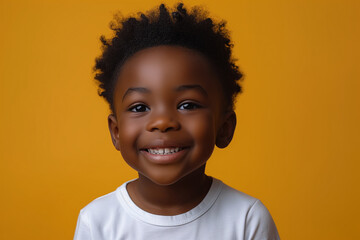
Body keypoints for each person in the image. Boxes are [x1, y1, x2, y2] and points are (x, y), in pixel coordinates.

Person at [74, 2, 280, 239]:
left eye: (187, 105)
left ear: (224, 128)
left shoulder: (247, 218)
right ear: (116, 131)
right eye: (140, 107)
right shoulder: (98, 221)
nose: (162, 122)